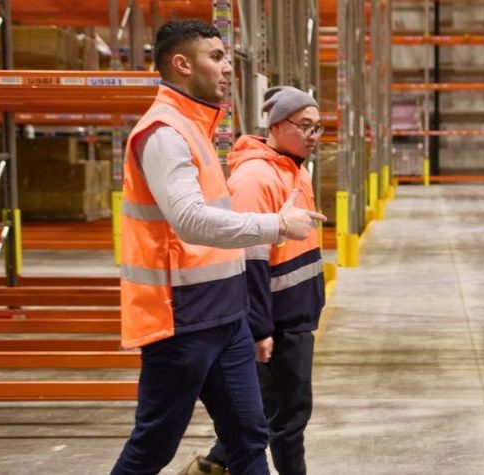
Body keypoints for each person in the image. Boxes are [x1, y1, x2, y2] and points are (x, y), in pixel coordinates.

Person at [111, 20, 326, 475]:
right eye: (216, 57)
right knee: (154, 446)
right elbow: (188, 220)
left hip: (225, 317)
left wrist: (249, 322)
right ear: (181, 64)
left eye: (226, 57)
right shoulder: (164, 133)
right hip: (181, 320)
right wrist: (275, 225)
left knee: (249, 436)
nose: (228, 67)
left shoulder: (196, 130)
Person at [182, 86, 326, 475]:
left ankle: (211, 465)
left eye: (318, 128)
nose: (313, 136)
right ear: (278, 125)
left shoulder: (295, 170)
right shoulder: (256, 177)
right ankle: (214, 464)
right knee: (285, 418)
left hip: (295, 315)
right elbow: (249, 260)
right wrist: (260, 329)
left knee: (268, 412)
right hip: (275, 321)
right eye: (305, 126)